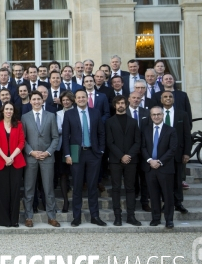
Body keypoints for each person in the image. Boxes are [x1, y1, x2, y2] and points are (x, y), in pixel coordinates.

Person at [62, 89, 106, 227]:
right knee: (77, 186)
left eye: (83, 97)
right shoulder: (69, 114)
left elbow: (101, 133)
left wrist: (101, 150)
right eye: (78, 97)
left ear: (87, 98)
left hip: (93, 154)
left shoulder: (95, 112)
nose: (81, 99)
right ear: (75, 99)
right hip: (76, 153)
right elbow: (65, 136)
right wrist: (67, 155)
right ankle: (77, 217)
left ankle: (95, 216)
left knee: (93, 186)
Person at [21, 91, 60, 228]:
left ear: (43, 100)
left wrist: (48, 152)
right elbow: (23, 139)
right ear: (30, 101)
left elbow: (56, 137)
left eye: (39, 99)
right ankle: (28, 216)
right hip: (31, 158)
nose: (36, 101)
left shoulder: (51, 116)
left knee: (48, 188)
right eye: (34, 99)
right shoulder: (25, 117)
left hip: (47, 158)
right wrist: (31, 152)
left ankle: (51, 216)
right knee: (29, 188)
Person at [106, 95, 142, 226]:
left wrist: (128, 155)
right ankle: (118, 217)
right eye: (118, 103)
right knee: (116, 188)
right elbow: (109, 142)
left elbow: (138, 141)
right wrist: (121, 156)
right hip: (116, 160)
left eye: (122, 103)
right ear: (115, 106)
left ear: (126, 105)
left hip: (131, 161)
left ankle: (131, 216)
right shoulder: (109, 122)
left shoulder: (133, 122)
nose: (121, 105)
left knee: (130, 188)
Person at [141, 107, 177, 229]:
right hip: (150, 168)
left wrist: (160, 162)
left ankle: (169, 220)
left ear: (162, 115)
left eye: (158, 114)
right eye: (153, 115)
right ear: (150, 116)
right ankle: (155, 218)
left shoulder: (171, 130)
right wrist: (150, 160)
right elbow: (143, 147)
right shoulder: (145, 130)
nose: (156, 117)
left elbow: (172, 149)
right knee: (153, 195)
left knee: (167, 195)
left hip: (165, 168)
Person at [0, 102, 26, 227]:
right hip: (1, 161)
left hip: (16, 161)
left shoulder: (19, 124)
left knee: (15, 192)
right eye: (6, 109)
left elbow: (21, 142)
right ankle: (4, 221)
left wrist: (11, 157)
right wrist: (5, 157)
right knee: (2, 192)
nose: (9, 111)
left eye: (11, 109)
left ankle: (14, 220)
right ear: (2, 110)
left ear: (13, 111)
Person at [159, 91, 191, 215]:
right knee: (164, 180)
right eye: (165, 97)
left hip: (178, 153)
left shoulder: (182, 114)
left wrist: (187, 153)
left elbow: (187, 135)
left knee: (177, 179)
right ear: (161, 99)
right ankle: (166, 203)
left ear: (174, 99)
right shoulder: (156, 113)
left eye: (170, 97)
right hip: (161, 153)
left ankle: (178, 203)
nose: (168, 99)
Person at [55, 91, 74, 213]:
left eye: (68, 100)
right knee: (63, 174)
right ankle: (66, 202)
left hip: (75, 146)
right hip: (61, 147)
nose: (66, 102)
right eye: (64, 100)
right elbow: (58, 129)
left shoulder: (76, 112)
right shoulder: (58, 113)